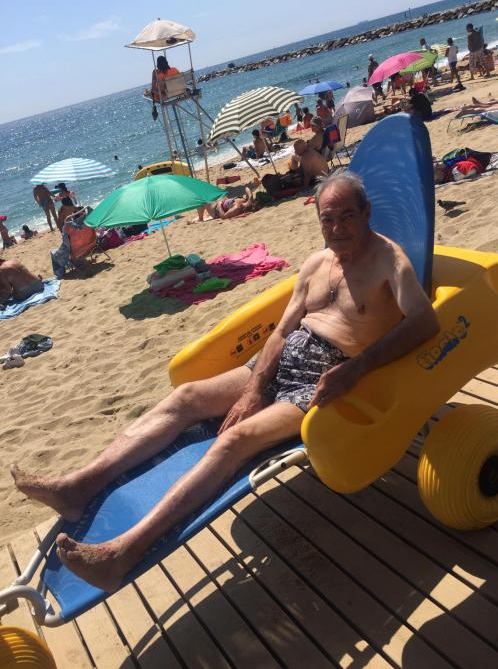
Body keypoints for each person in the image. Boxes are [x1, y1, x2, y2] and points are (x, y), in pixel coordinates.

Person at [10, 169, 439, 593]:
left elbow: (424, 322)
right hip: (275, 364)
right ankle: (79, 486)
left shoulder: (389, 262)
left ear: (366, 213)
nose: (337, 228)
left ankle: (121, 553)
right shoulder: (316, 264)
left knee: (233, 441)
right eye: (328, 218)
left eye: (347, 216)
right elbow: (281, 332)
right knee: (186, 397)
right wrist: (253, 389)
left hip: (323, 381)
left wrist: (358, 368)